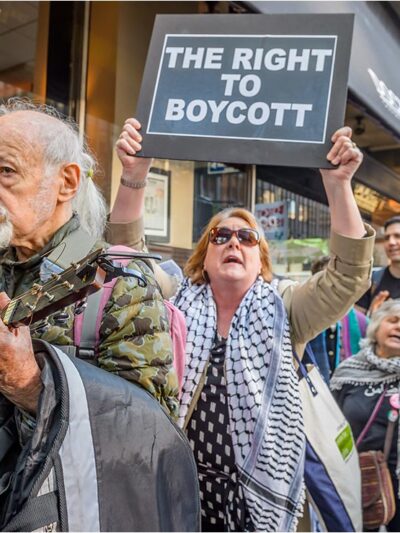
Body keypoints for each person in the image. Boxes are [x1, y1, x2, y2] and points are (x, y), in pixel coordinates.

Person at [108, 118, 375, 532]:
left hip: (255, 506)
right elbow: (125, 261)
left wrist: (339, 185)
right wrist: (133, 178)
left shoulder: (286, 308)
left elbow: (348, 276)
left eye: (247, 237)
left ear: (261, 261)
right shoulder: (175, 300)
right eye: (221, 236)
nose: (234, 241)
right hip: (178, 493)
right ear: (203, 256)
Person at [0, 100, 200, 530]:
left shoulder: (119, 286)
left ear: (66, 182)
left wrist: (30, 385)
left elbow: (146, 436)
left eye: (6, 171)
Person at [330, 299, 400, 532]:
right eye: (393, 321)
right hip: (359, 481)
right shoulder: (349, 371)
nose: (398, 328)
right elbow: (331, 422)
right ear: (376, 327)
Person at [308, 255, 369, 382]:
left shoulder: (361, 322)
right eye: (328, 280)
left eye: (341, 281)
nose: (335, 288)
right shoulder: (305, 319)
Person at [357, 216, 400, 315]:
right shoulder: (370, 281)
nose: (391, 242)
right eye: (387, 238)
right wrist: (372, 315)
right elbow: (356, 325)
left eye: (397, 236)